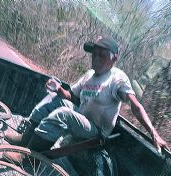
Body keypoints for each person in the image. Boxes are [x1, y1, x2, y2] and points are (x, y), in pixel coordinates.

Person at [10, 36, 169, 155]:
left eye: (102, 55)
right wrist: (58, 89)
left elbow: (136, 106)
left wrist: (154, 134)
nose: (96, 58)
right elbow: (71, 97)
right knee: (53, 100)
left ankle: (30, 158)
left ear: (114, 59)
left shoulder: (117, 79)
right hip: (82, 117)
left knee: (63, 115)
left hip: (96, 132)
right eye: (95, 54)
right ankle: (25, 139)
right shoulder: (89, 75)